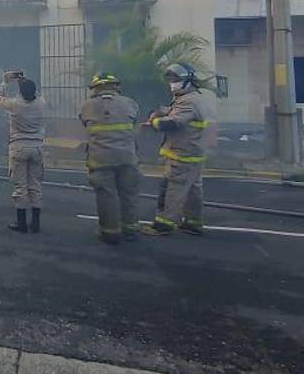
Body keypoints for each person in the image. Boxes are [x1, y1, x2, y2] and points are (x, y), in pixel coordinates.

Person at [143, 62, 216, 237]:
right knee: (193, 189)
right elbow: (178, 112)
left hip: (181, 155)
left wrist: (154, 122)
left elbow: (174, 122)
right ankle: (193, 223)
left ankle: (164, 224)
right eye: (170, 79)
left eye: (176, 79)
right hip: (193, 153)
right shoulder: (194, 98)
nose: (172, 83)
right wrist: (162, 111)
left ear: (188, 81)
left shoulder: (188, 102)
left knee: (173, 189)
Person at [79, 72, 141, 245]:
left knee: (107, 196)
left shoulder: (87, 106)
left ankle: (110, 232)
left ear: (96, 88)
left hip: (101, 159)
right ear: (116, 86)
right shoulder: (130, 103)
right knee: (128, 194)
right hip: (127, 157)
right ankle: (130, 229)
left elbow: (84, 122)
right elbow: (134, 120)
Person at [0, 71, 46, 234]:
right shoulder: (41, 103)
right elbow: (33, 93)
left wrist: (5, 82)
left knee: (20, 186)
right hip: (37, 147)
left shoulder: (15, 104)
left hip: (19, 147)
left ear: (21, 92)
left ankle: (21, 224)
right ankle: (35, 223)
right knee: (35, 185)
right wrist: (25, 82)